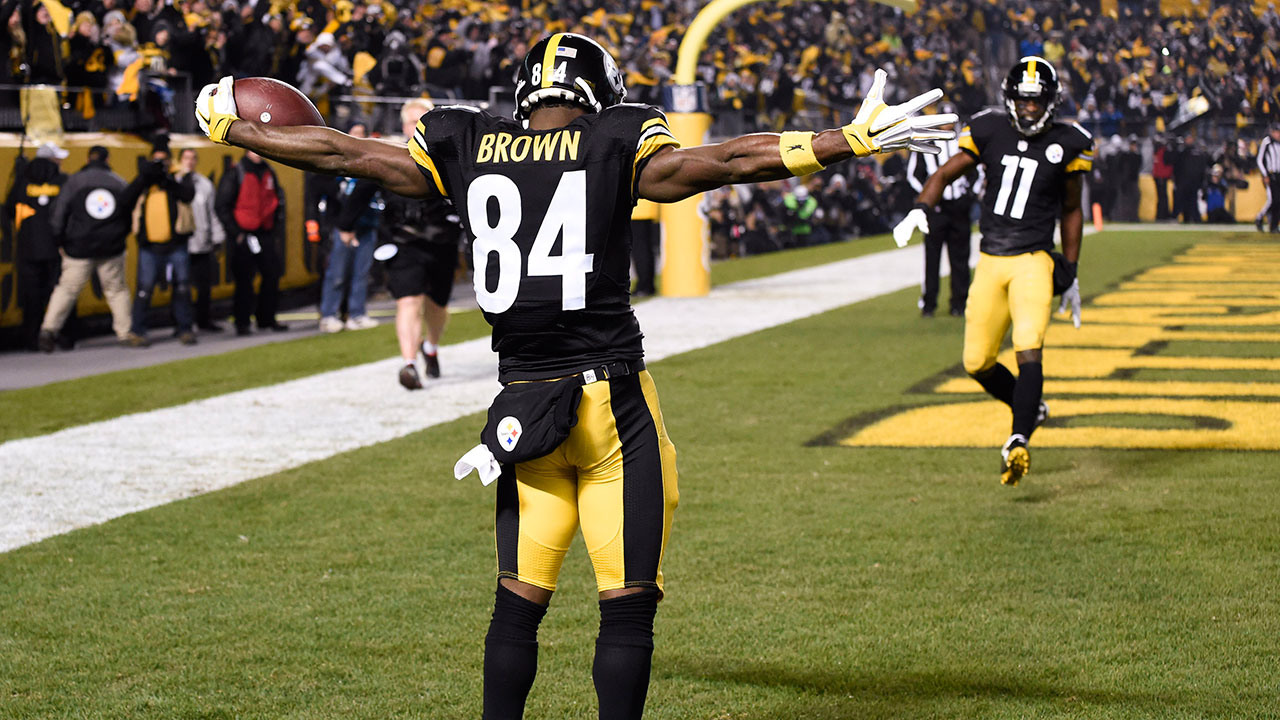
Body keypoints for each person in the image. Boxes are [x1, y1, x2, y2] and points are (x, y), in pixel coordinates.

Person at [196, 33, 951, 719]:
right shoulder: (617, 136)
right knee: (624, 609)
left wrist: (240, 130)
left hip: (523, 407)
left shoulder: (465, 139)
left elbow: (339, 151)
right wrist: (842, 140)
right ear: (601, 97)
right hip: (609, 406)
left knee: (516, 606)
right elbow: (713, 164)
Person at [895, 56, 1093, 487]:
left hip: (1033, 260)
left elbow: (1073, 209)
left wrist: (1071, 270)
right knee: (976, 361)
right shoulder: (988, 129)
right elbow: (946, 173)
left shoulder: (1070, 141)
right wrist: (921, 206)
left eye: (1037, 101)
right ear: (1010, 99)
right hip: (990, 259)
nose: (1029, 109)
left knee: (1028, 346)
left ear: (1051, 102)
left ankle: (1018, 438)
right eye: (1023, 100)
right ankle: (1031, 408)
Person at [377, 99, 463, 389]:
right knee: (409, 299)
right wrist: (345, 224)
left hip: (441, 240)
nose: (416, 127)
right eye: (412, 122)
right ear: (403, 125)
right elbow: (366, 181)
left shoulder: (448, 157)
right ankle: (409, 363)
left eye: (421, 121)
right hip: (404, 240)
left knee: (437, 304)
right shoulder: (391, 154)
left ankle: (431, 346)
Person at [40, 145, 145, 349]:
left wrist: (60, 241)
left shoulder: (74, 181)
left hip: (78, 247)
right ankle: (125, 333)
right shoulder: (118, 181)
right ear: (107, 159)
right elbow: (128, 214)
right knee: (117, 290)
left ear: (88, 159)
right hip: (111, 247)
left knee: (66, 290)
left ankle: (48, 330)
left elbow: (59, 214)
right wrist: (120, 237)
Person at [127, 140, 197, 346]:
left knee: (183, 287)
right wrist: (145, 178)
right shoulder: (146, 181)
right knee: (144, 289)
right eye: (156, 160)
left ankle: (184, 328)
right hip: (150, 246)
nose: (160, 164)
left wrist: (167, 180)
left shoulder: (178, 176)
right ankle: (138, 331)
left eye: (163, 160)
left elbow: (188, 194)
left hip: (176, 244)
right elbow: (127, 198)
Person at [906, 111, 975, 318]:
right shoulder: (925, 144)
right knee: (932, 258)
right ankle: (929, 303)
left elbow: (976, 173)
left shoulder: (964, 143)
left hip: (959, 208)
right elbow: (914, 176)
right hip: (936, 210)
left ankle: (959, 303)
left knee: (961, 258)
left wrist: (967, 194)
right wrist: (928, 200)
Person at [318, 120, 382, 333]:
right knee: (336, 274)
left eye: (361, 133)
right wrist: (343, 225)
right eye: (354, 133)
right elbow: (323, 190)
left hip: (366, 225)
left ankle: (356, 313)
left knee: (361, 274)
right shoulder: (336, 162)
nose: (357, 138)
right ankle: (329, 314)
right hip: (342, 227)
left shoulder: (370, 161)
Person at [215, 150, 288, 335]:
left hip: (264, 233)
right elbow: (222, 205)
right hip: (244, 234)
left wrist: (275, 227)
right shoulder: (236, 172)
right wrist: (236, 233)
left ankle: (266, 318)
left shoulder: (268, 170)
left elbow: (276, 200)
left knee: (272, 275)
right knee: (244, 281)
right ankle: (242, 322)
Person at [7, 142, 67, 351]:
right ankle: (61, 336)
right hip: (56, 247)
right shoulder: (62, 180)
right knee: (60, 293)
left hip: (28, 247)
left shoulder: (23, 180)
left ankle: (32, 339)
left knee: (31, 296)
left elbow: (8, 208)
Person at [175, 146, 226, 332]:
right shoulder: (174, 182)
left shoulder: (204, 184)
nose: (190, 161)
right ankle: (182, 324)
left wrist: (217, 236)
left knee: (204, 287)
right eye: (186, 158)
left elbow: (211, 212)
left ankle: (203, 321)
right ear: (180, 160)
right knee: (181, 287)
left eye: (193, 158)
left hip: (202, 242)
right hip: (181, 244)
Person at [1256, 123, 1280, 233]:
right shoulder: (1267, 142)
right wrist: (1265, 174)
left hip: (1279, 175)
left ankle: (1274, 226)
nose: (1278, 134)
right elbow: (1260, 160)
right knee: (1272, 200)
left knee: (1278, 201)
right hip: (1271, 175)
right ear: (1272, 132)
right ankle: (1259, 218)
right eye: (1276, 132)